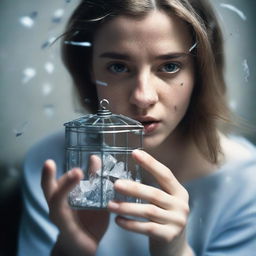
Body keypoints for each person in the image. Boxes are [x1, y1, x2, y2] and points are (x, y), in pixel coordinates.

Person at [17, 0, 256, 255]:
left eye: (170, 66)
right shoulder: (53, 166)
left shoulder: (247, 184)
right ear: (88, 70)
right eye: (118, 67)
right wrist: (70, 250)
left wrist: (175, 251)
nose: (143, 97)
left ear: (200, 73)